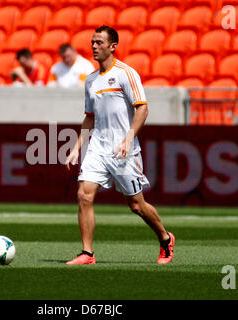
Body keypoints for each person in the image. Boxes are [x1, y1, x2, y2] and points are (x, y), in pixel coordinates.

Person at [64, 25, 175, 265]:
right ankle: (87, 253)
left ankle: (165, 239)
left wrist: (127, 138)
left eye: (99, 43)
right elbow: (89, 117)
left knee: (136, 205)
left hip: (124, 148)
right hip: (98, 147)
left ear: (113, 46)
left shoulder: (126, 73)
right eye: (92, 42)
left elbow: (142, 108)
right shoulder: (91, 80)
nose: (94, 46)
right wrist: (77, 147)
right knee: (84, 195)